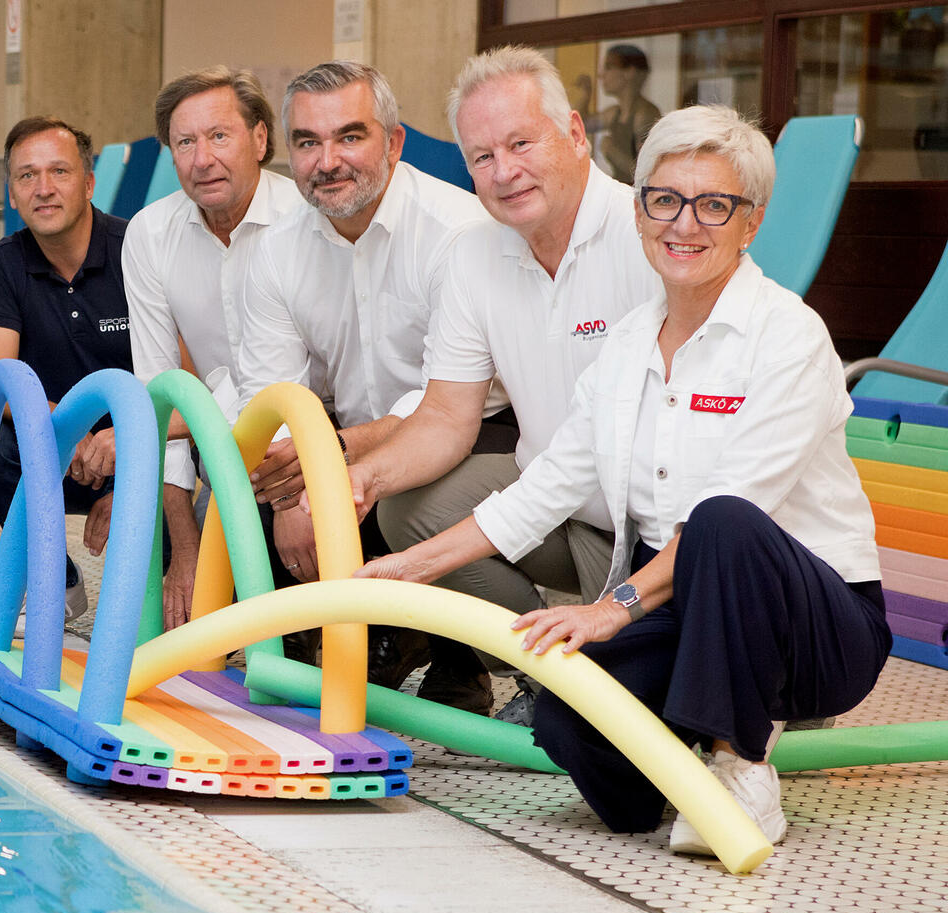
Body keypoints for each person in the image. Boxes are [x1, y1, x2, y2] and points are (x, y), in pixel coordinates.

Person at [358, 105, 889, 853]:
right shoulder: (629, 343)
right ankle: (677, 778)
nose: (685, 224)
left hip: (814, 623)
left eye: (715, 205)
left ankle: (743, 767)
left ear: (751, 223)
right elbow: (544, 488)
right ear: (639, 213)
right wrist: (398, 571)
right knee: (563, 717)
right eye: (665, 200)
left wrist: (616, 606)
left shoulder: (788, 336)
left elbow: (732, 511)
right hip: (687, 614)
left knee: (722, 522)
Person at [346, 45, 662, 724]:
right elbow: (445, 416)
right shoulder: (473, 251)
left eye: (522, 142)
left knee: (652, 698)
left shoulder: (648, 234)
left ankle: (627, 661)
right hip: (556, 497)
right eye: (482, 156)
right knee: (408, 508)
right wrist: (365, 479)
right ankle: (543, 667)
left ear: (576, 134)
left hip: (654, 516)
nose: (505, 171)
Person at [233, 61, 494, 707]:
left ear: (394, 142)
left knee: (418, 491)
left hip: (470, 425)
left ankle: (453, 655)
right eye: (307, 142)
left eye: (350, 136)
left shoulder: (457, 232)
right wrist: (294, 501)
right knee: (247, 483)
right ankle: (312, 640)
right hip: (341, 439)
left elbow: (460, 399)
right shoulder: (274, 249)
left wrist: (333, 459)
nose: (327, 161)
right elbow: (273, 390)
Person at [123, 67, 304, 629]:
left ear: (260, 139)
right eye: (185, 142)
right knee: (180, 583)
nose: (202, 159)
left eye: (219, 136)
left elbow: (292, 388)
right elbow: (159, 390)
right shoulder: (151, 234)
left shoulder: (307, 217)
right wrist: (185, 547)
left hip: (320, 430)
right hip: (223, 442)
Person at [0, 116, 134, 622]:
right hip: (52, 451)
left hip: (142, 448)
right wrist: (71, 433)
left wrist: (129, 477)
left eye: (59, 172)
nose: (43, 189)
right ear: (12, 194)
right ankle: (53, 577)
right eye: (26, 176)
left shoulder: (138, 250)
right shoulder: (2, 264)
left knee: (174, 583)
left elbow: (182, 379)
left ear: (88, 182)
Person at [596, 45, 661, 182]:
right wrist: (585, 94)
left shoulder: (644, 114)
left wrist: (612, 151)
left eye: (609, 67)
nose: (601, 75)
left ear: (629, 72)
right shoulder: (614, 112)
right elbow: (578, 123)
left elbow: (648, 173)